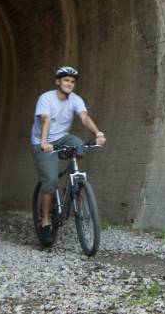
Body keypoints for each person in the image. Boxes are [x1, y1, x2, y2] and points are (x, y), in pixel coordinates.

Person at [30, 66, 106, 244]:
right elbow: (45, 120)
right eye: (66, 80)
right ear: (58, 81)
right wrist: (44, 142)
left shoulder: (75, 99)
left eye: (72, 81)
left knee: (80, 145)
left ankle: (73, 181)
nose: (69, 84)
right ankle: (46, 220)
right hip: (42, 141)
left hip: (62, 138)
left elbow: (84, 117)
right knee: (49, 180)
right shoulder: (46, 98)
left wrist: (98, 133)